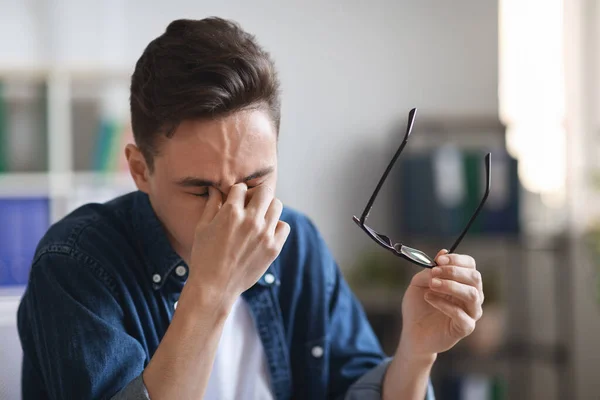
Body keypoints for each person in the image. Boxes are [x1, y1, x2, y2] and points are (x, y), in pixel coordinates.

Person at [17, 17, 484, 400]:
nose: (233, 213)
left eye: (254, 181)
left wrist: (417, 353)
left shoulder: (297, 246)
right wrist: (211, 292)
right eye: (200, 190)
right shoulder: (75, 265)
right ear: (141, 170)